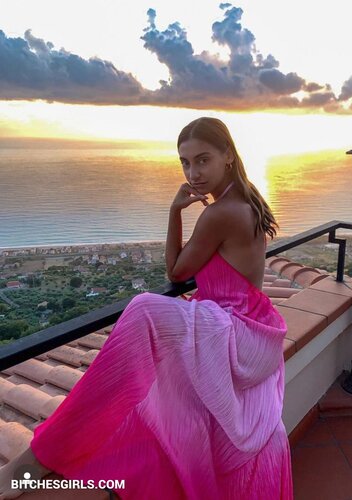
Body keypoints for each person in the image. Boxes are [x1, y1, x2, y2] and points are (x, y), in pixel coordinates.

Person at [0, 117, 293, 499]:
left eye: (202, 160)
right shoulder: (248, 198)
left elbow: (176, 271)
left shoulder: (219, 213)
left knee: (143, 310)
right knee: (158, 386)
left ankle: (38, 459)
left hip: (235, 330)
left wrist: (174, 211)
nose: (193, 173)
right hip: (251, 329)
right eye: (185, 162)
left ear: (228, 156)